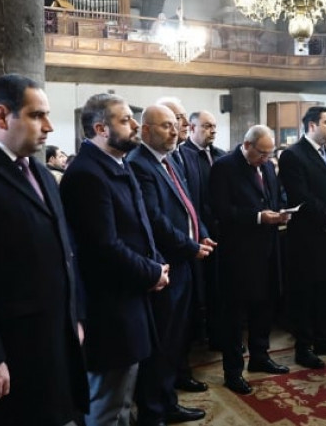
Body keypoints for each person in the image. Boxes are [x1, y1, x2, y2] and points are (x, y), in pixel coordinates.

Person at [0, 74, 88, 425]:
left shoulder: (39, 173)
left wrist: (75, 316)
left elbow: (64, 251)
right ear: (1, 116)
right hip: (8, 353)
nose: (49, 127)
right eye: (37, 115)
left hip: (52, 341)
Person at [61, 93, 170, 426]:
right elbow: (104, 247)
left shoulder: (115, 164)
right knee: (108, 404)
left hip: (128, 298)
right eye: (125, 120)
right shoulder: (88, 174)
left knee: (122, 399)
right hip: (108, 308)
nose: (135, 125)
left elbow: (139, 226)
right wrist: (152, 272)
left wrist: (156, 263)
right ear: (101, 129)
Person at [127, 106, 215, 425]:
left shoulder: (169, 159)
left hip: (184, 262)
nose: (175, 131)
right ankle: (153, 412)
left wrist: (201, 234)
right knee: (161, 344)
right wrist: (190, 246)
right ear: (146, 130)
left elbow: (187, 205)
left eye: (175, 125)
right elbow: (154, 219)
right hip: (164, 266)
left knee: (176, 341)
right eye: (166, 126)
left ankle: (168, 403)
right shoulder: (139, 163)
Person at [210, 125, 291, 395]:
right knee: (234, 315)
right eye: (262, 153)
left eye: (270, 154)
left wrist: (281, 212)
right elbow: (221, 210)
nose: (266, 159)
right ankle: (233, 371)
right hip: (239, 252)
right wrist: (258, 217)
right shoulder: (224, 167)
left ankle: (260, 356)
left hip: (268, 248)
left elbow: (274, 196)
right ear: (247, 145)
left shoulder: (266, 165)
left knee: (265, 306)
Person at [278, 106, 326, 369]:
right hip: (307, 237)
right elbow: (300, 195)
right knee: (305, 294)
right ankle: (304, 347)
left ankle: (323, 339)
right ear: (312, 125)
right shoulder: (293, 155)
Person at [180, 110, 226, 360]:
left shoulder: (220, 155)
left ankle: (219, 335)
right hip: (197, 232)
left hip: (222, 229)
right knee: (200, 287)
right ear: (192, 128)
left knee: (220, 286)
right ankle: (199, 336)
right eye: (207, 126)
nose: (212, 130)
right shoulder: (183, 155)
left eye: (214, 126)